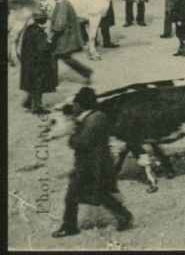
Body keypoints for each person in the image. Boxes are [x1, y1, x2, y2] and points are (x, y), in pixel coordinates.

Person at [52, 88, 133, 237]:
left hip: (93, 165)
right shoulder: (93, 117)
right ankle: (124, 216)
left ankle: (69, 226)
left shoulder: (94, 119)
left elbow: (82, 142)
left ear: (82, 105)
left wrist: (72, 137)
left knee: (76, 195)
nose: (73, 107)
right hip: (91, 164)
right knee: (96, 193)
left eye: (75, 104)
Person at [50, 0, 92, 82]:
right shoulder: (64, 3)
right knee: (64, 58)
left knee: (54, 55)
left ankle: (52, 81)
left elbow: (60, 24)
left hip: (64, 38)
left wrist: (53, 33)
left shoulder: (62, 5)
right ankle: (86, 72)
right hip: (67, 37)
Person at [20, 9, 57, 114]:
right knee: (38, 84)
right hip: (38, 63)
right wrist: (50, 40)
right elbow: (43, 48)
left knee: (31, 83)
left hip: (29, 62)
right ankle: (36, 107)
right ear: (44, 21)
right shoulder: (39, 33)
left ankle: (28, 102)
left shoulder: (29, 29)